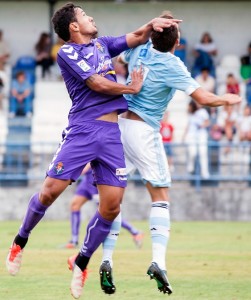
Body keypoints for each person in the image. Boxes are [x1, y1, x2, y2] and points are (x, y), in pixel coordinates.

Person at [5, 3, 181, 299]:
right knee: (49, 193)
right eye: (85, 15)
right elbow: (96, 83)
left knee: (111, 207)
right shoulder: (67, 52)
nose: (91, 17)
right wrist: (130, 89)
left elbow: (136, 36)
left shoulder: (102, 45)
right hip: (83, 131)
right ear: (74, 27)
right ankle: (20, 241)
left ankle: (82, 262)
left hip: (111, 135)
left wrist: (153, 24)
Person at [113, 11, 240, 295]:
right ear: (177, 39)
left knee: (113, 199)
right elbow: (204, 98)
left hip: (120, 127)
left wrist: (151, 28)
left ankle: (106, 260)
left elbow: (118, 58)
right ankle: (158, 261)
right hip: (144, 131)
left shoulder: (139, 47)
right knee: (160, 197)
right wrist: (227, 99)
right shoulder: (173, 64)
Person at [64, 164, 144, 249]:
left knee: (107, 212)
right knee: (74, 205)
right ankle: (74, 241)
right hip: (86, 180)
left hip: (95, 177)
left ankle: (135, 232)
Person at [183, 100, 210, 179]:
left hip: (201, 135)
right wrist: (184, 136)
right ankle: (190, 167)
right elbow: (188, 125)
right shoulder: (191, 114)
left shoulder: (203, 112)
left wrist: (202, 125)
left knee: (202, 153)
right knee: (193, 153)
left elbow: (207, 122)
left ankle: (204, 172)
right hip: (192, 136)